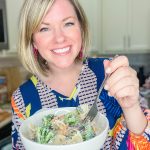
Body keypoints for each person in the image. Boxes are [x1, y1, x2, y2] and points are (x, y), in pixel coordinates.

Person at [11, 0, 150, 149]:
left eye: (68, 23)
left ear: (81, 28)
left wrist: (131, 107)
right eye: (44, 28)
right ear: (33, 41)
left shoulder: (109, 74)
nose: (59, 38)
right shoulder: (22, 99)